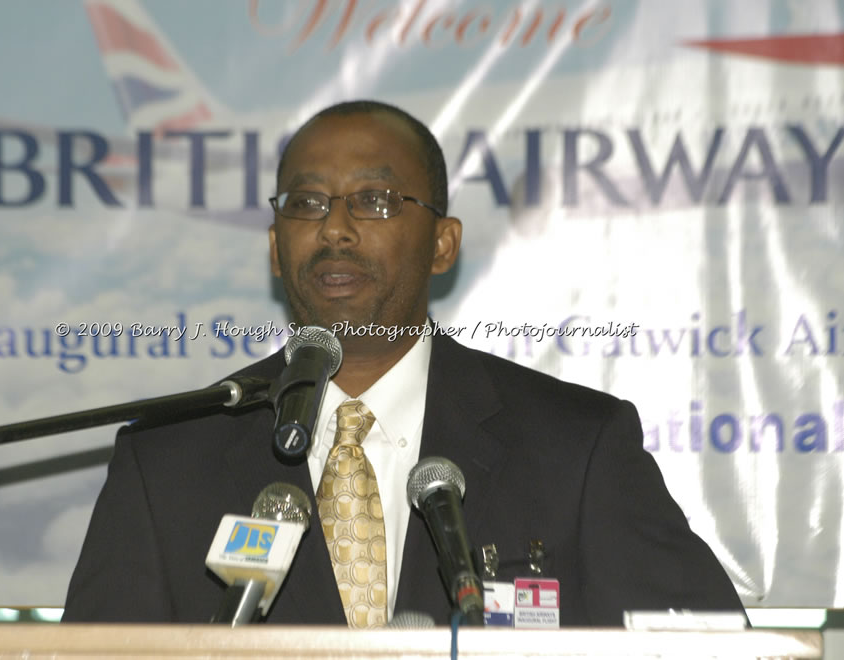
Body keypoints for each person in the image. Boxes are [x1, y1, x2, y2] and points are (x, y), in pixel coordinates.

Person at [63, 100, 744, 627]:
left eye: (374, 200)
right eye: (305, 204)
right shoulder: (166, 460)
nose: (334, 227)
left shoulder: (575, 446)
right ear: (275, 249)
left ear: (442, 244)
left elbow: (702, 646)